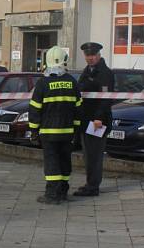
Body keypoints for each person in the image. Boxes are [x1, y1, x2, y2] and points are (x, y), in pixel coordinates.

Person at [29, 46, 82, 204]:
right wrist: (77, 130)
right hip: (68, 132)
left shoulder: (43, 83)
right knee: (65, 160)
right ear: (64, 61)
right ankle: (63, 192)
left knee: (52, 162)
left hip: (48, 132)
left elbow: (35, 108)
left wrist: (33, 131)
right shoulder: (71, 82)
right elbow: (78, 108)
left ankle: (52, 195)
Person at [74, 42, 115, 197]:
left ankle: (93, 187)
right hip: (86, 120)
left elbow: (105, 99)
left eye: (92, 55)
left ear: (98, 55)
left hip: (98, 121)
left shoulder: (105, 73)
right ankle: (90, 184)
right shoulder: (87, 71)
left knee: (95, 155)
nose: (89, 58)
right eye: (87, 55)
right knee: (88, 154)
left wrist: (98, 118)